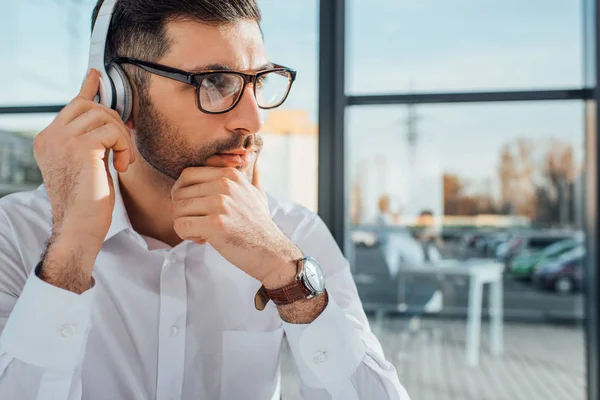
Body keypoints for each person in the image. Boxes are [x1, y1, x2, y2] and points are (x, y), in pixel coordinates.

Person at [0, 1, 410, 399]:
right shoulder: (16, 234)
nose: (253, 119)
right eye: (215, 82)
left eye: (259, 81)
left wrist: (287, 276)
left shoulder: (293, 233)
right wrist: (69, 255)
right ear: (120, 96)